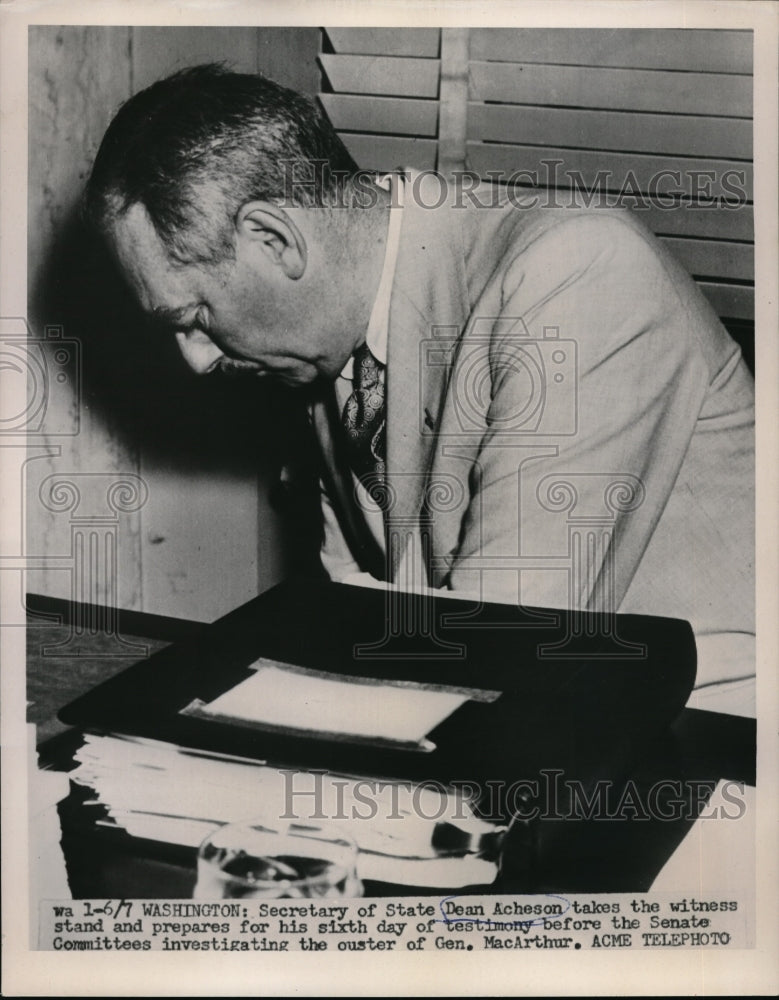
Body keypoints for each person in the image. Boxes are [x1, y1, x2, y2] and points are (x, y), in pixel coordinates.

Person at [84, 64, 755, 716]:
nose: (198, 360)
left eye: (194, 317)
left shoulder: (574, 273)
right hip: (540, 720)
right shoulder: (322, 342)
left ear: (272, 238)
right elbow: (356, 609)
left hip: (714, 741)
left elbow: (495, 648)